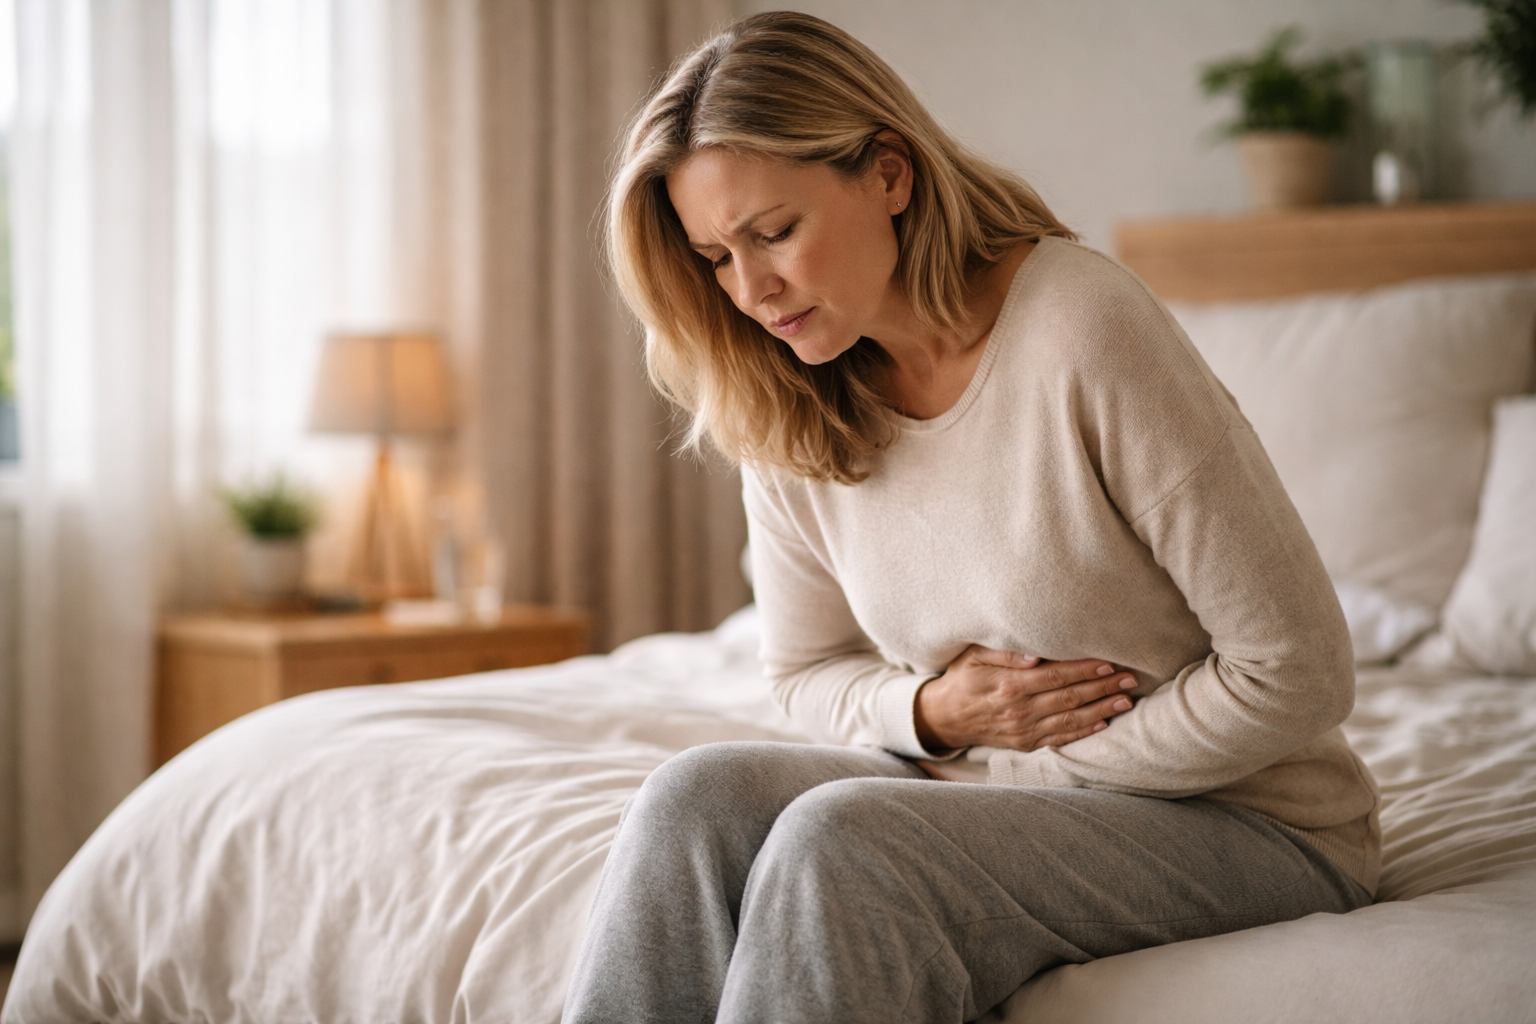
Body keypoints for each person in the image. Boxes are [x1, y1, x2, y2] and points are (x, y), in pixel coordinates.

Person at [565, 11, 1380, 1023]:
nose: (752, 290)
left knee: (844, 840)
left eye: (774, 233)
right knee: (692, 801)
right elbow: (804, 671)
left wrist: (1037, 762)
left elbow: (1298, 672)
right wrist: (934, 716)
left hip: (1253, 823)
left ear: (889, 174)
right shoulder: (781, 387)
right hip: (993, 787)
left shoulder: (1081, 327)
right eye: (717, 258)